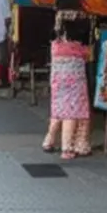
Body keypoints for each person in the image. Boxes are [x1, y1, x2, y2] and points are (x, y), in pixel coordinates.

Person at [42, 26, 92, 159]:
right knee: (71, 112)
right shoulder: (78, 47)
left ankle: (49, 141)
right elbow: (88, 55)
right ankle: (67, 148)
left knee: (58, 110)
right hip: (74, 82)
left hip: (57, 81)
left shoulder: (55, 45)